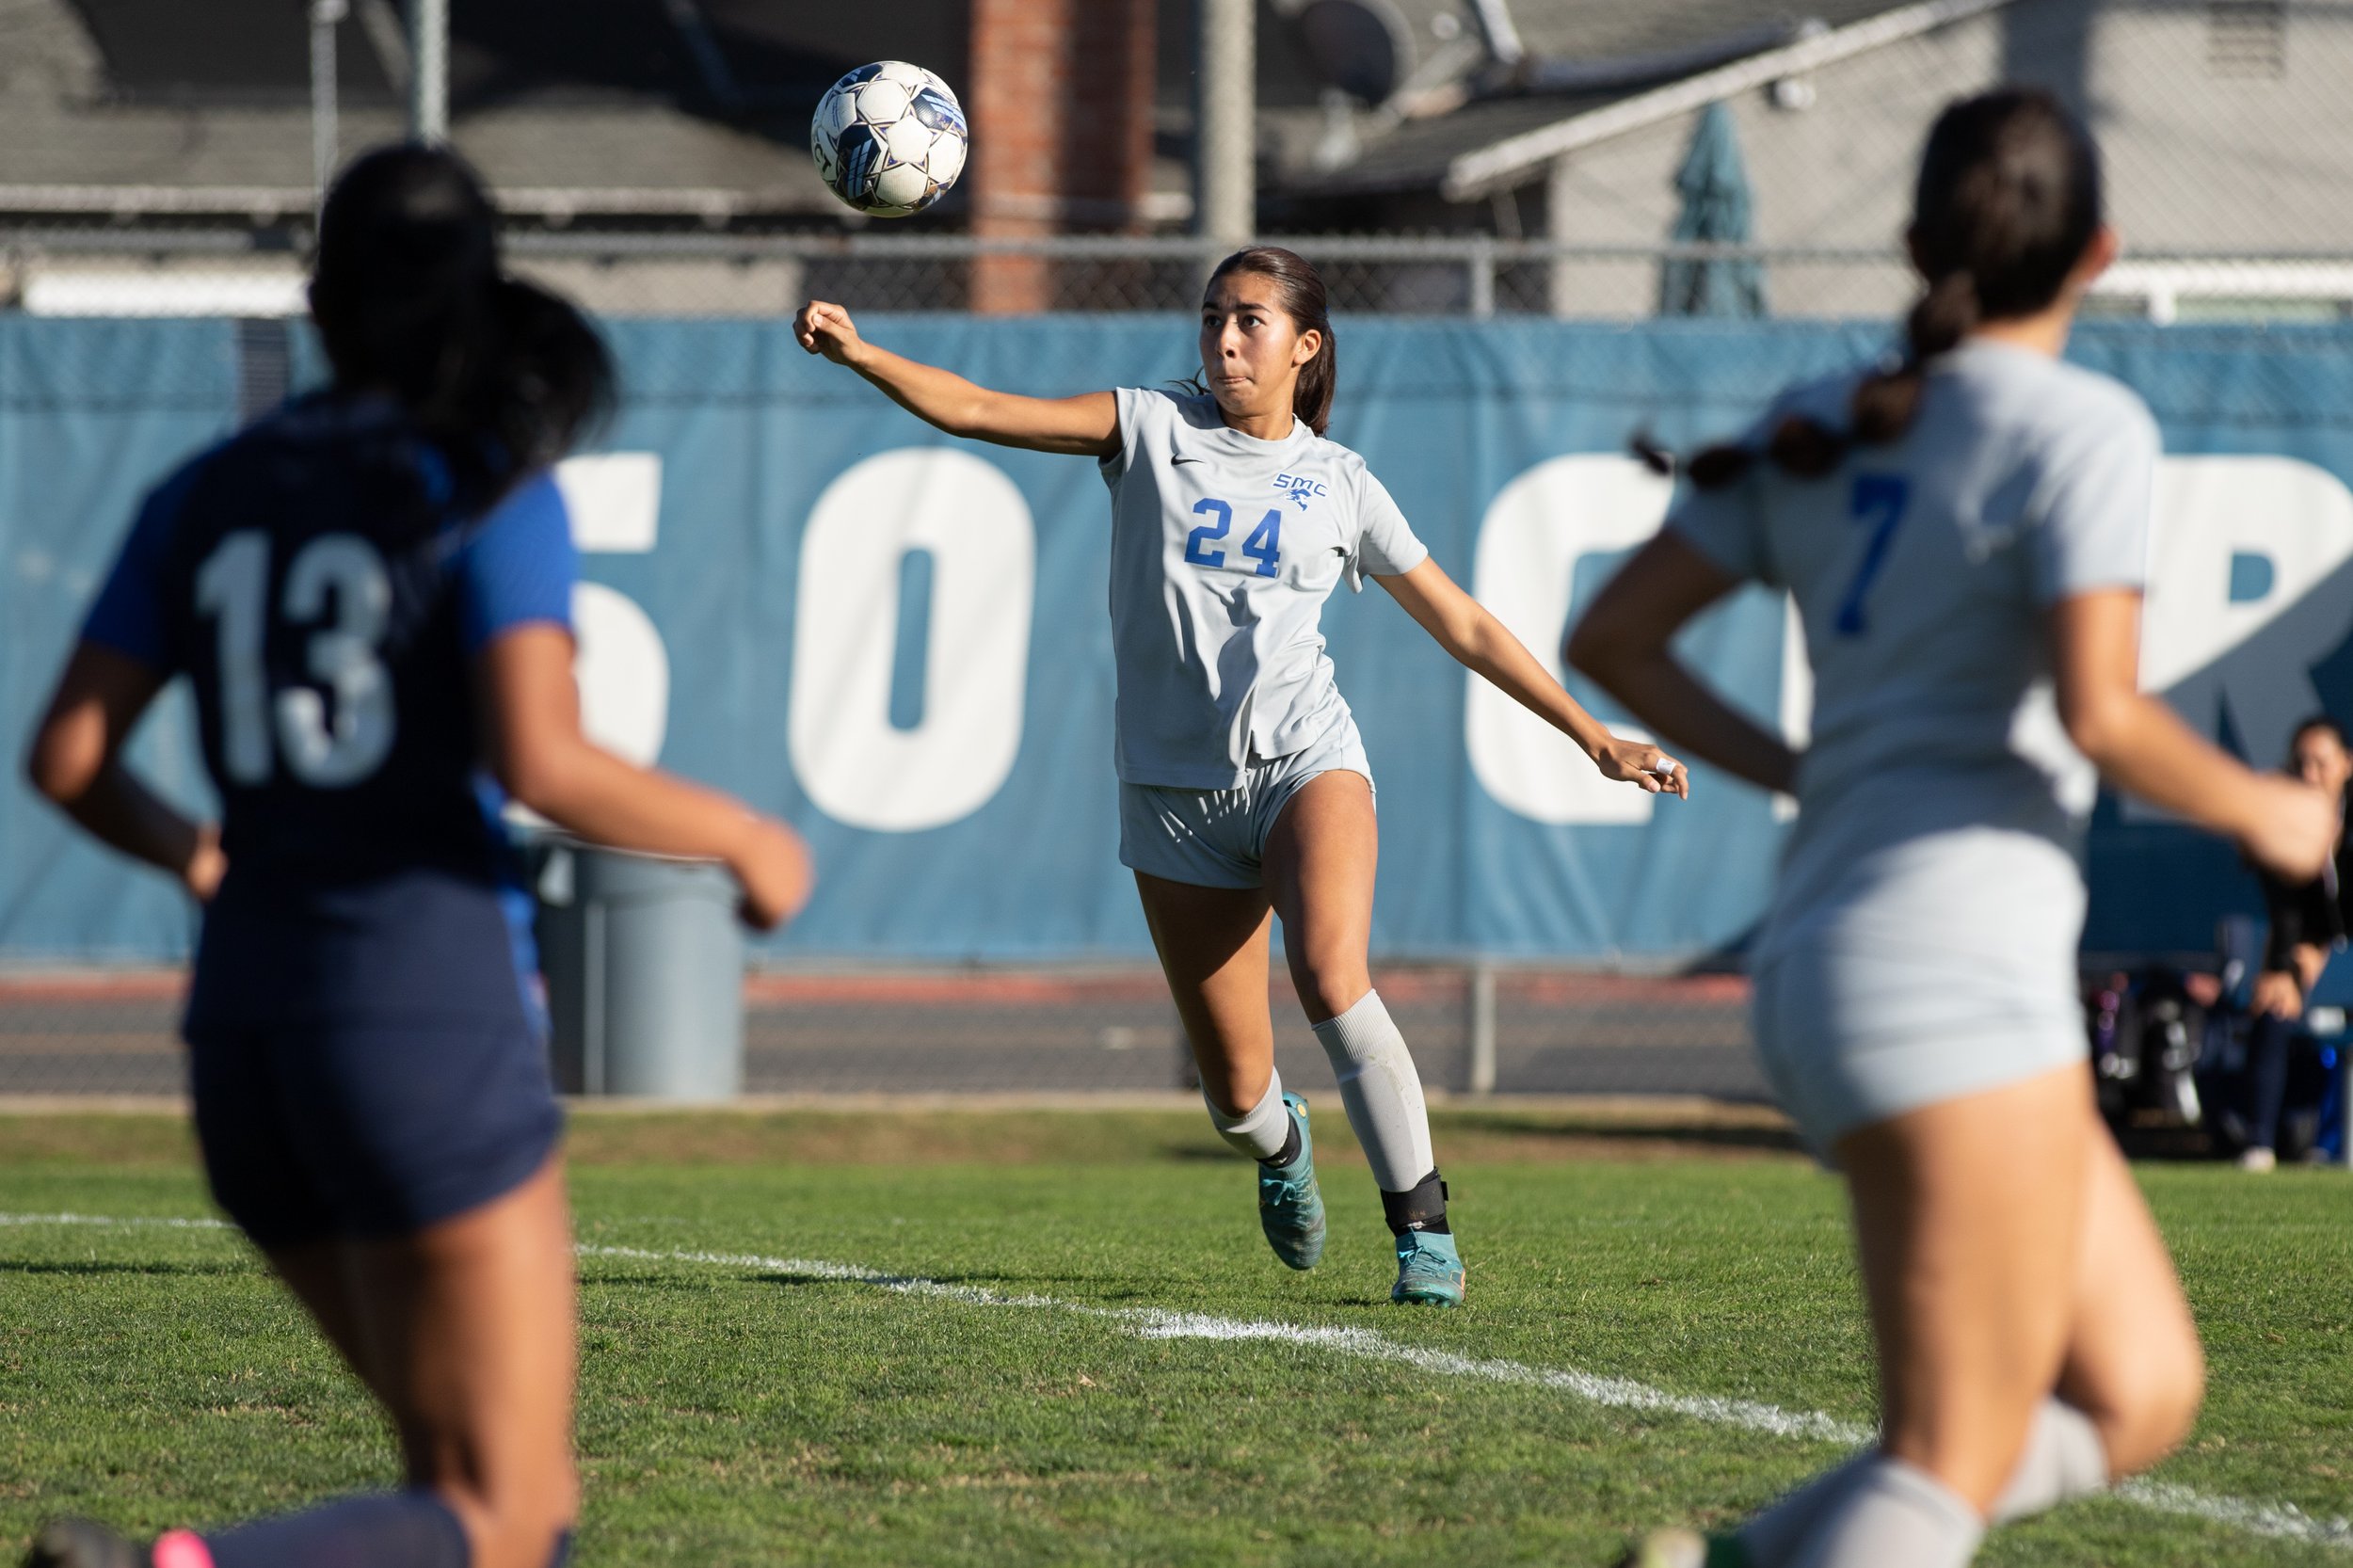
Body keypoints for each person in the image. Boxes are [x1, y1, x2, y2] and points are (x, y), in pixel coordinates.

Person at [1567, 89, 2334, 1568]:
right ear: (2101, 252)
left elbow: (1615, 635)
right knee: (1943, 1463)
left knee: (2142, 1387)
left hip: (1841, 958)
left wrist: (1802, 766)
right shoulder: (2078, 422)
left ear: (1916, 244)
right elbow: (2103, 714)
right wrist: (2281, 817)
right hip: (1947, 973)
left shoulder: (1823, 419)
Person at [20, 146, 811, 1568]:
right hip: (419, 1010)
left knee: (448, 1493)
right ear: (477, 296)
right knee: (512, 1515)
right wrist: (746, 837)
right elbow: (542, 760)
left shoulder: (208, 490)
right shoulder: (480, 482)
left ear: (318, 303)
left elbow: (66, 760)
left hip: (245, 1025)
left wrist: (200, 856)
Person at [793, 247, 1684, 1305]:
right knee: (1236, 1094)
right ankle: (1281, 1146)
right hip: (1172, 798)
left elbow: (1463, 621)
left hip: (1304, 762)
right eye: (1213, 316)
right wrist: (861, 355)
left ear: (1304, 347)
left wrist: (1592, 736)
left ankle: (1423, 1230)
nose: (1223, 340)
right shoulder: (1149, 425)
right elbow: (981, 407)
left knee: (1329, 975)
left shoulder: (1340, 480)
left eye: (1250, 322)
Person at [2232, 714, 2352, 1170]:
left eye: (2321, 763)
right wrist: (2288, 968)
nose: (2310, 774)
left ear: (2347, 764)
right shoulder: (2280, 825)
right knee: (2274, 1002)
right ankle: (2259, 1143)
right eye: (2301, 763)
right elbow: (2289, 913)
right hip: (2316, 946)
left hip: (2335, 944)